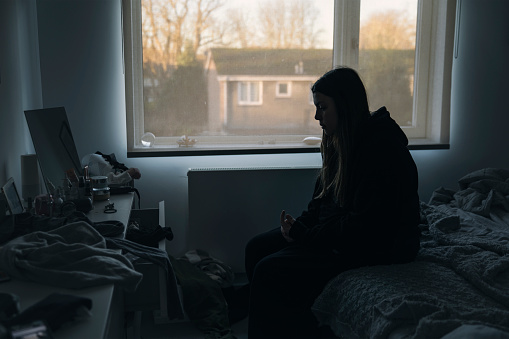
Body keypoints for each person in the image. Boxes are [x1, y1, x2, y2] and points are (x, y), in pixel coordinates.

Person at [242, 67, 421, 339]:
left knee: (269, 270)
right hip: (345, 232)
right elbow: (322, 199)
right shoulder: (341, 141)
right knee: (256, 248)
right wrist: (300, 226)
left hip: (378, 246)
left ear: (345, 105)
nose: (316, 116)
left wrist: (306, 235)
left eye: (323, 107)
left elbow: (364, 226)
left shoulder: (383, 152)